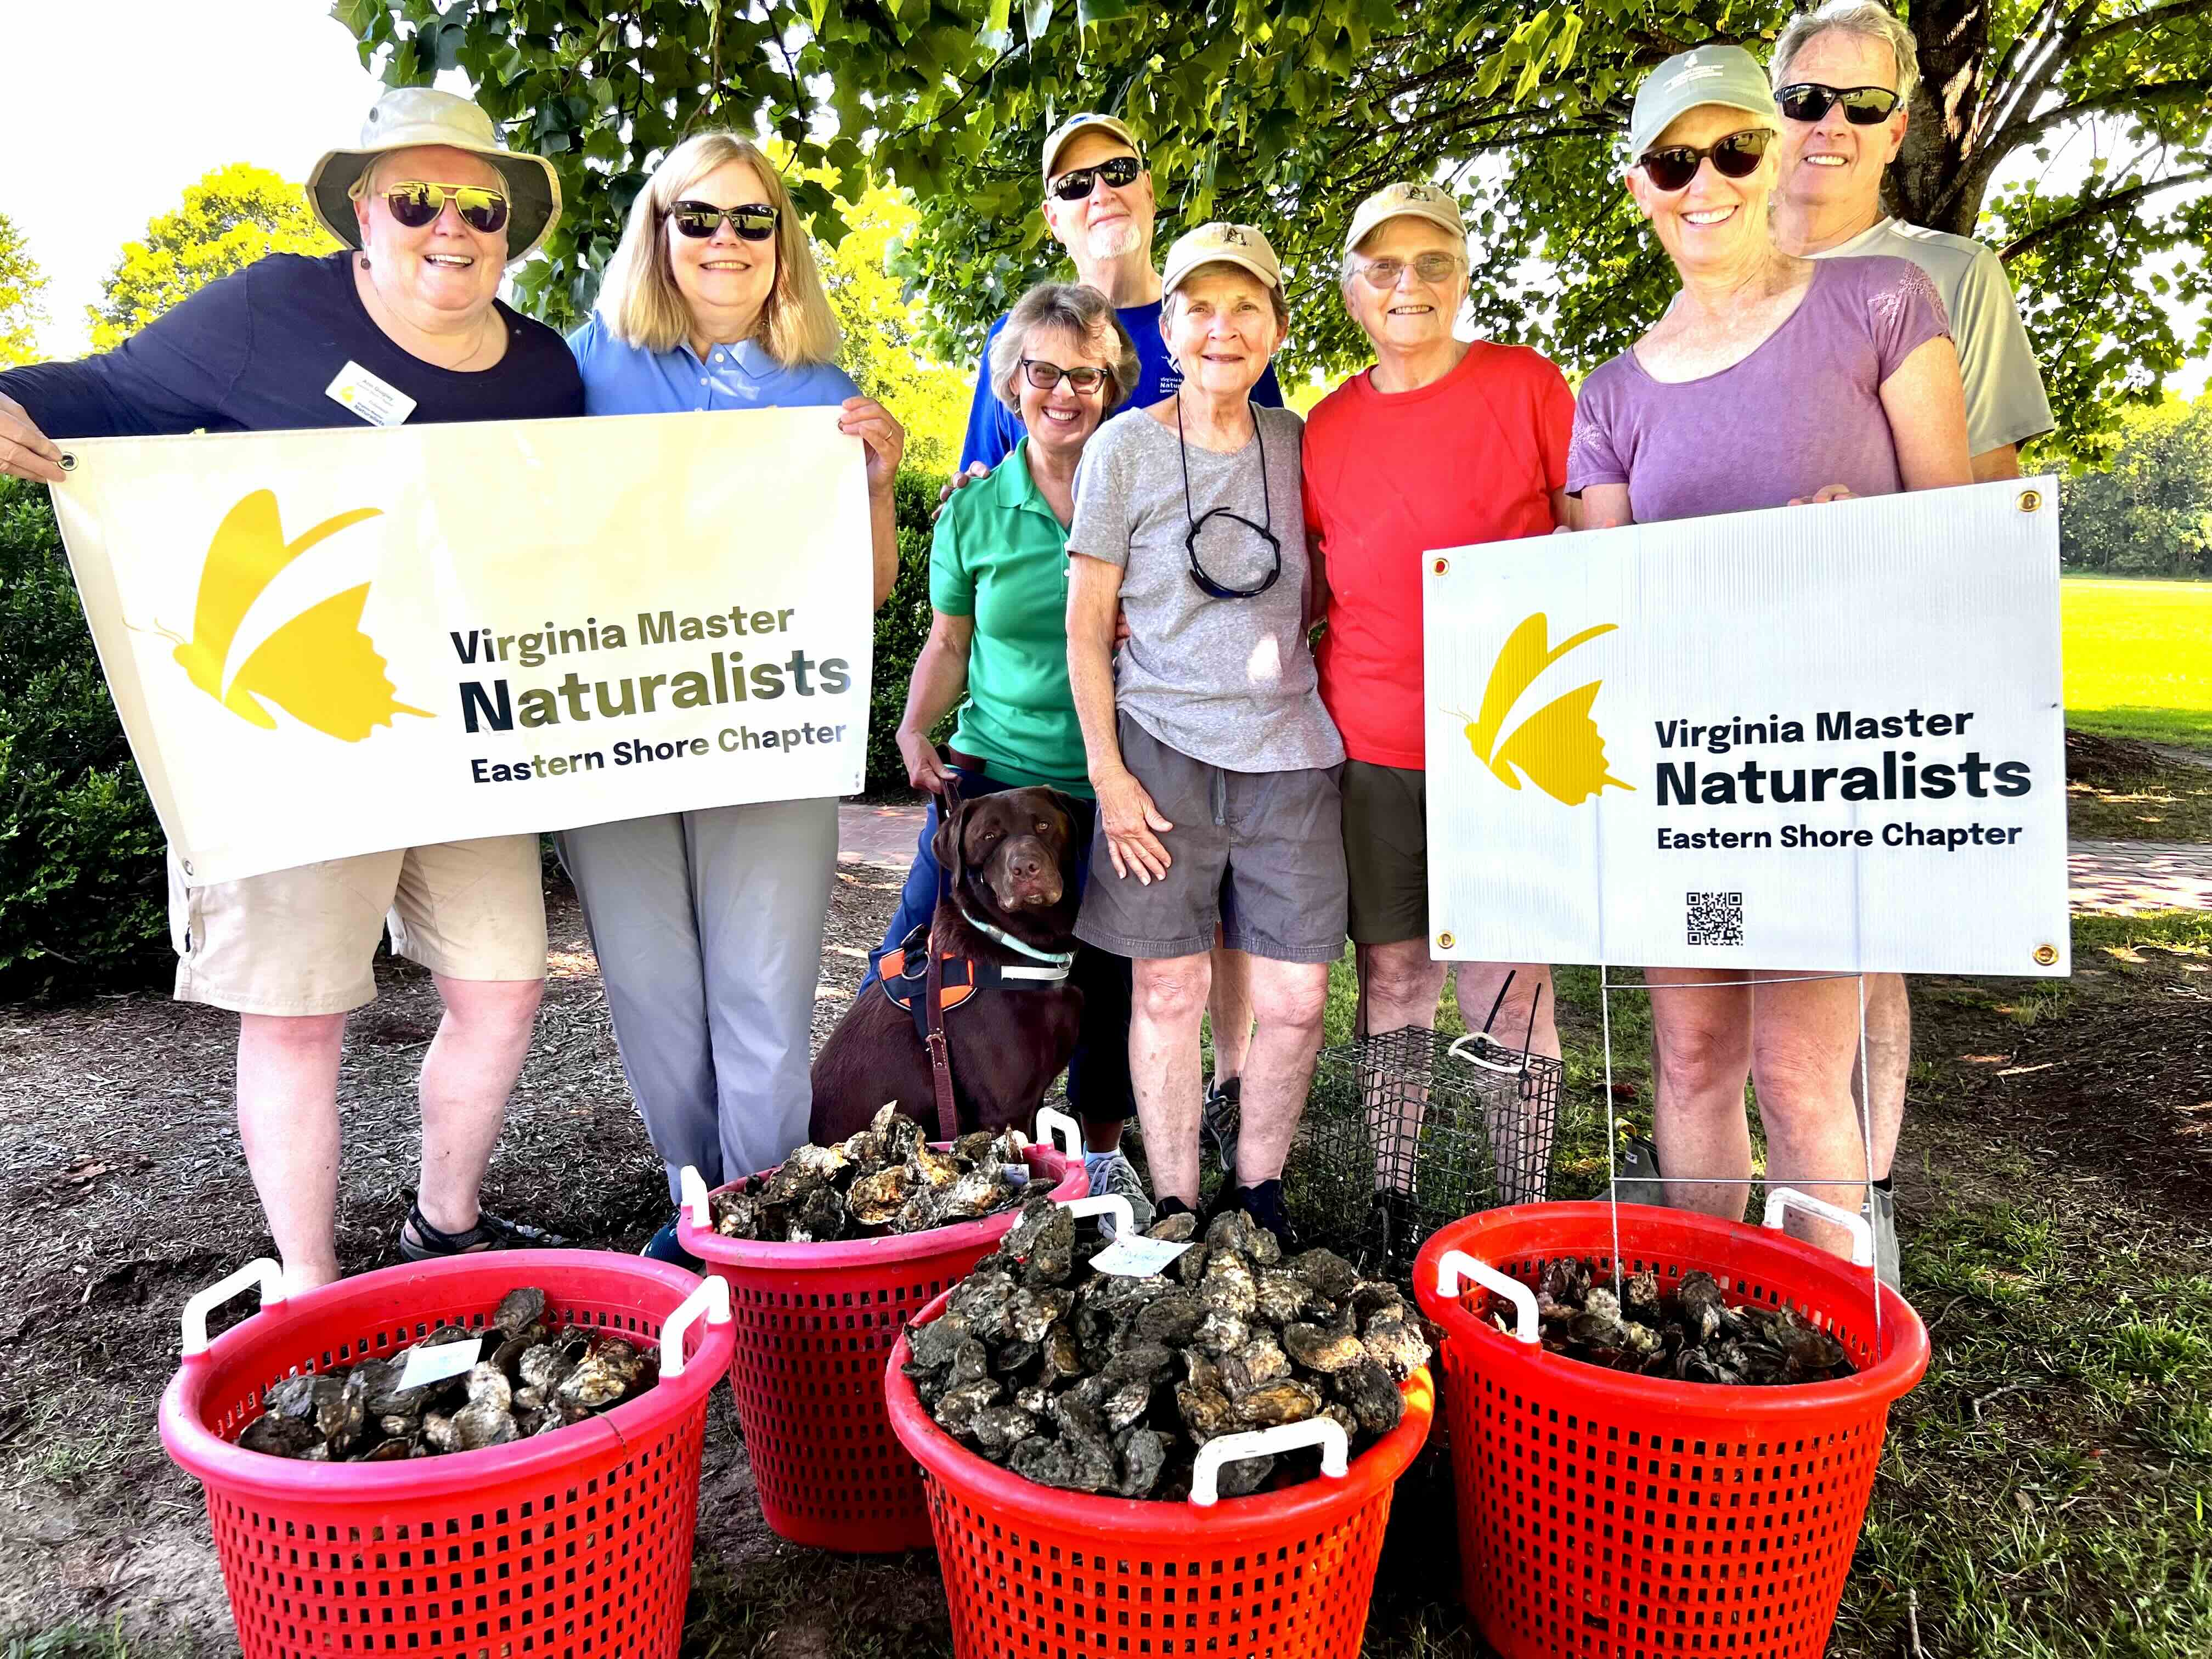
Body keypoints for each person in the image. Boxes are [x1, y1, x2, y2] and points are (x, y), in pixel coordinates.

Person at [0, 89, 582, 1293]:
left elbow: (587, 528)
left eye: (478, 203)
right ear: (366, 211)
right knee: (299, 1016)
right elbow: (101, 396)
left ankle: (445, 1224)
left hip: (463, 732)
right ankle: (311, 1288)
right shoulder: (269, 311)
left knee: (504, 988)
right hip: (287, 736)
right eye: (418, 198)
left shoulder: (543, 368)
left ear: (509, 226)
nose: (449, 226)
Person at [1566, 46, 1972, 1260]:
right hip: (1680, 779)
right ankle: (1710, 1316)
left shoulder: (1886, 304)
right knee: (1690, 1057)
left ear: (1780, 153)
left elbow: (1961, 543)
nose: (1708, 182)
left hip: (1827, 774)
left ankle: (1826, 1344)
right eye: (1675, 161)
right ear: (1641, 184)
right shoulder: (1612, 395)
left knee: (1801, 1075)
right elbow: (1606, 610)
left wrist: (1876, 543)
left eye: (1736, 149)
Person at [557, 132, 906, 1265]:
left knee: (762, 987)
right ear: (656, 231)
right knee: (655, 990)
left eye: (752, 221)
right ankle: (695, 1201)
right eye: (696, 216)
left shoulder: (824, 390)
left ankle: (764, 1231)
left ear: (782, 244)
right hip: (616, 732)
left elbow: (867, 588)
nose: (724, 240)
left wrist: (879, 483)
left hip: (763, 726)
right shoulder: (583, 366)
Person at [1767, 0, 2056, 1284]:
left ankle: (1855, 1210)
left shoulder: (1947, 276)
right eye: (1805, 99)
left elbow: (1988, 501)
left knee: (1859, 948)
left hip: (1873, 677)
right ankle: (1741, 1227)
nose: (1826, 127)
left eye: (1861, 103)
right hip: (1729, 674)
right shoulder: (1713, 242)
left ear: (1900, 123)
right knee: (1739, 962)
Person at [958, 114, 1280, 1139]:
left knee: (1212, 912)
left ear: (1150, 187)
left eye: (1119, 171)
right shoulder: (1028, 340)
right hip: (1059, 724)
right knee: (1058, 931)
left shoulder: (1211, 321)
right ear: (1054, 214)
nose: (1100, 191)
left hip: (1204, 694)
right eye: (1074, 180)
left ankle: (1222, 1096)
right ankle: (1002, 1118)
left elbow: (1261, 499)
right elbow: (987, 490)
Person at [1065, 223, 1346, 1239]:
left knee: (1299, 999)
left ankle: (1260, 1195)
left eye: (1246, 308)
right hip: (1160, 753)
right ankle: (1179, 1201)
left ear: (1275, 327)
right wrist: (1110, 775)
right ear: (1169, 329)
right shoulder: (1125, 449)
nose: (1221, 329)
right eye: (1199, 308)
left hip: (1292, 754)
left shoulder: (1306, 443)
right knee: (1171, 989)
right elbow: (1086, 627)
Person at [1302, 182, 1577, 1214]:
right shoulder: (1325, 428)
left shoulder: (1530, 386)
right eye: (1382, 266)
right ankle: (1395, 1200)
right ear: (1351, 290)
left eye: (1432, 263)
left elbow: (1598, 540)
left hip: (1512, 746)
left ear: (1463, 278)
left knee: (1509, 988)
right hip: (1376, 746)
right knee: (1396, 982)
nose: (1407, 284)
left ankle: (1525, 1211)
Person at [861, 282, 1152, 1220]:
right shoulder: (974, 513)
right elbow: (948, 642)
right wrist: (912, 727)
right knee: (913, 956)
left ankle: (1100, 1160)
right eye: (1043, 372)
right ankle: (880, 1143)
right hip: (993, 777)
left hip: (1115, 780)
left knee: (1109, 978)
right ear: (1012, 385)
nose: (1065, 392)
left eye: (1087, 375)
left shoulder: (1151, 493)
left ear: (1112, 388)